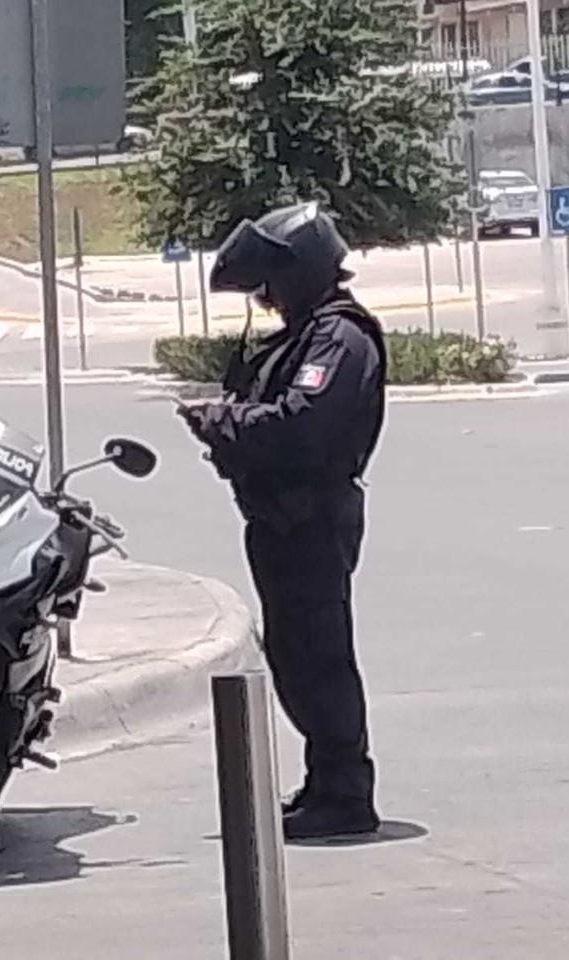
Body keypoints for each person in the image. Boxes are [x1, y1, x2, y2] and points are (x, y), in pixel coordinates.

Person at [178, 202, 387, 840]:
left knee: (320, 656)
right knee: (296, 655)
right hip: (280, 517)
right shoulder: (305, 334)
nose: (266, 299)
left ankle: (346, 793)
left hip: (312, 516)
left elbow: (303, 424)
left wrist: (223, 422)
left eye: (273, 283)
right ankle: (325, 781)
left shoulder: (339, 339)